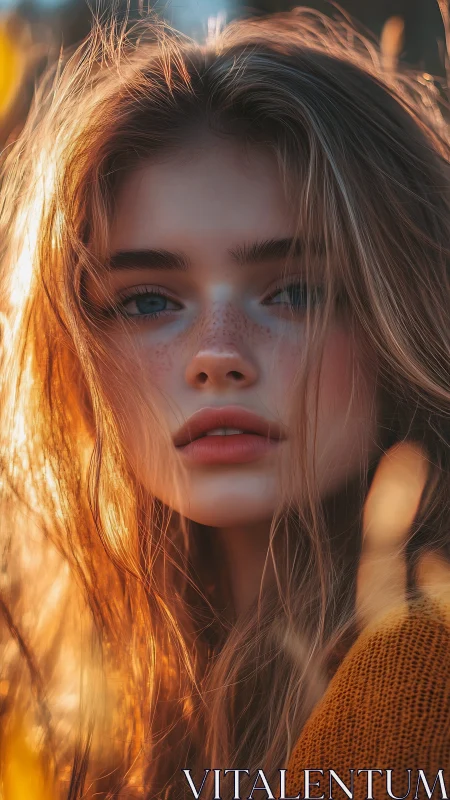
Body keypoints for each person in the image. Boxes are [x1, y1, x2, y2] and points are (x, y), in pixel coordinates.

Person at [0, 6, 449, 799]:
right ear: (74, 353)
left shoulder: (420, 677)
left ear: (405, 315)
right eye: (145, 301)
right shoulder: (85, 710)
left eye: (297, 291)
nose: (217, 355)